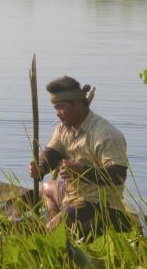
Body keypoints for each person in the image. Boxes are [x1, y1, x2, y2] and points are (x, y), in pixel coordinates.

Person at [26, 75, 133, 237]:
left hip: (99, 204)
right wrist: (40, 166)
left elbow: (118, 175)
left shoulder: (105, 134)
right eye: (55, 108)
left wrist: (82, 171)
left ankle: (53, 231)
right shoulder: (64, 129)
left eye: (61, 107)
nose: (57, 113)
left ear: (77, 103)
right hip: (72, 196)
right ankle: (56, 221)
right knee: (46, 188)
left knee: (60, 222)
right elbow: (52, 153)